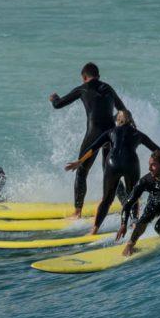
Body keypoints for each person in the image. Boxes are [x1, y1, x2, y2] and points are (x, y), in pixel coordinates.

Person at [65, 110, 160, 234]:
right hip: (131, 164)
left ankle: (94, 229)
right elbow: (157, 150)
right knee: (133, 196)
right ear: (131, 120)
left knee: (107, 199)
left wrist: (79, 162)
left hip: (113, 164)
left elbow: (93, 147)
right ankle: (134, 225)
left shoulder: (110, 132)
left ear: (117, 120)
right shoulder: (138, 134)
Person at [49, 62, 127, 218]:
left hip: (94, 134)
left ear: (84, 77)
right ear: (98, 75)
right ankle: (127, 204)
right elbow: (122, 109)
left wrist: (53, 97)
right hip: (111, 134)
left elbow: (58, 105)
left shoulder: (82, 89)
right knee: (110, 172)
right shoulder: (108, 88)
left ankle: (77, 211)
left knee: (82, 172)